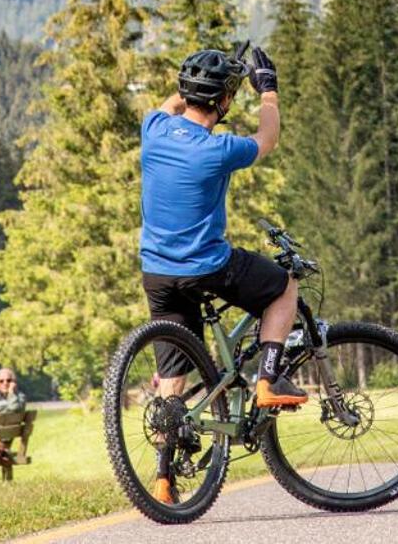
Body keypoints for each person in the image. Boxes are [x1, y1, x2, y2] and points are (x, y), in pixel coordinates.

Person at [140, 45, 297, 505]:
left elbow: (172, 105)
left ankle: (164, 479)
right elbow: (267, 140)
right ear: (224, 102)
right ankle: (269, 378)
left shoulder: (154, 130)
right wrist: (267, 89)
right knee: (283, 288)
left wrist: (206, 77)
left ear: (186, 92)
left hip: (156, 272)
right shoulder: (217, 149)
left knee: (172, 373)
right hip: (206, 266)